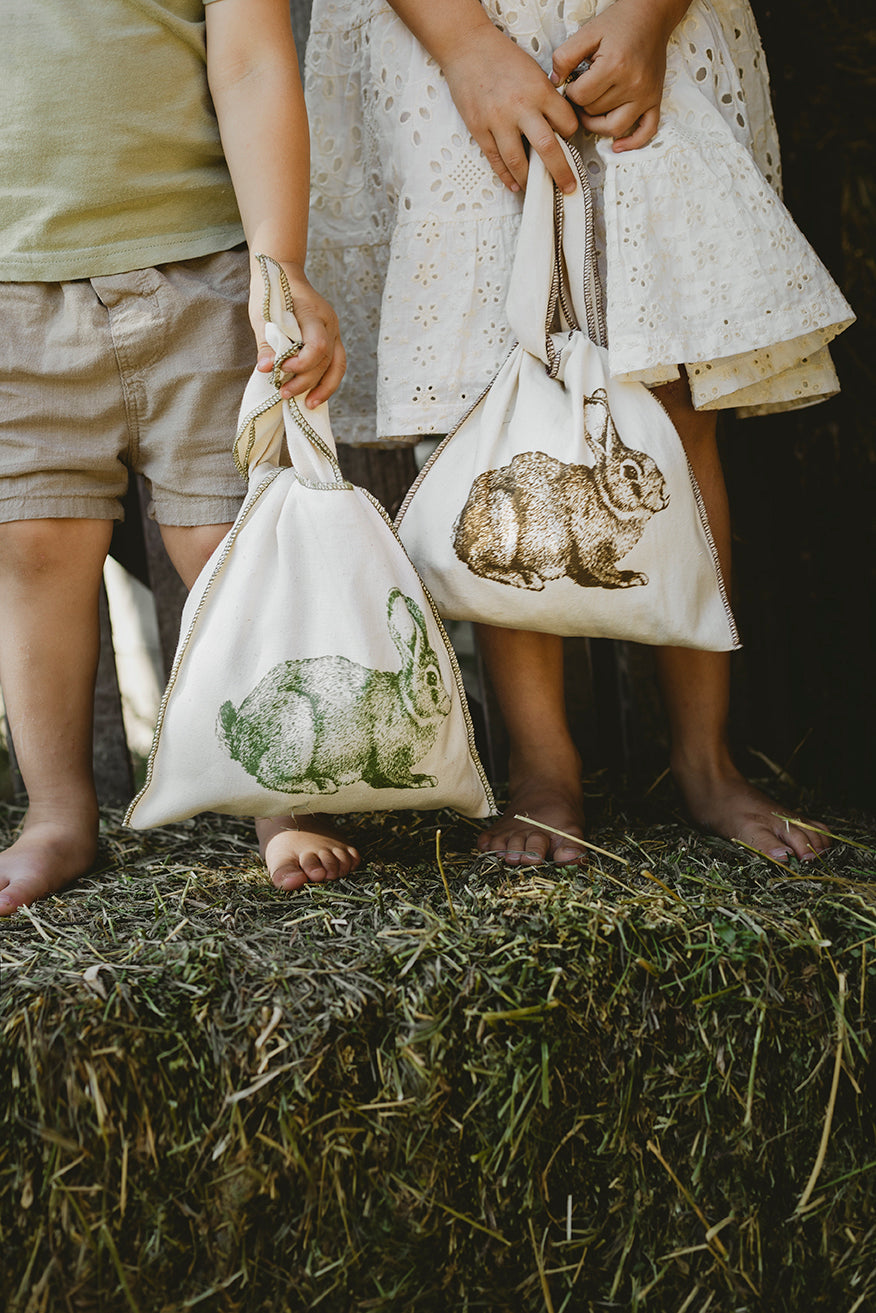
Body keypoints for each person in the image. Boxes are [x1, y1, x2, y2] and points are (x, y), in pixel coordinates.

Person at [304, 0, 854, 867]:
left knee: (671, 386)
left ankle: (706, 759)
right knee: (503, 386)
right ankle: (542, 764)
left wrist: (648, 16)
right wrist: (464, 45)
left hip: (643, 25)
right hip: (458, 32)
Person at [0, 0, 362, 917]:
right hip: (14, 284)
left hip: (202, 270)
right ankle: (57, 813)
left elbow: (249, 61)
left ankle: (278, 798)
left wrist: (277, 266)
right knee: (35, 544)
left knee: (226, 542)